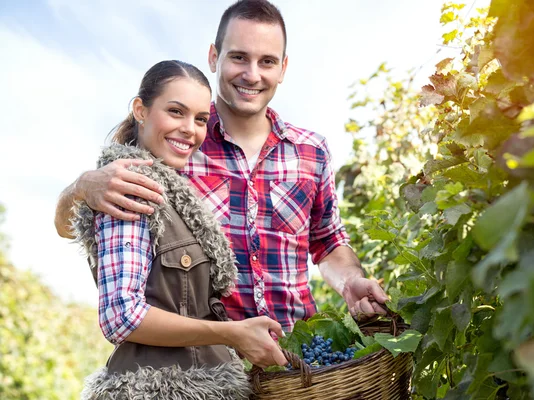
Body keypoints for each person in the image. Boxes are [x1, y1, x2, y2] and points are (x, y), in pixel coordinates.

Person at [56, 0, 388, 333]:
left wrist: (349, 282)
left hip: (297, 361)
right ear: (214, 57)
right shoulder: (176, 146)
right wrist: (82, 188)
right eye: (239, 57)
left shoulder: (311, 152)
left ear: (283, 68)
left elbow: (328, 242)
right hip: (207, 365)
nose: (252, 74)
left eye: (267, 61)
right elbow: (75, 228)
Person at [71, 60, 286, 399]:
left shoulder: (176, 194)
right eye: (176, 111)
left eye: (201, 119)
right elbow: (121, 316)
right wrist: (231, 333)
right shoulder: (127, 188)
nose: (190, 129)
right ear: (140, 110)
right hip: (156, 390)